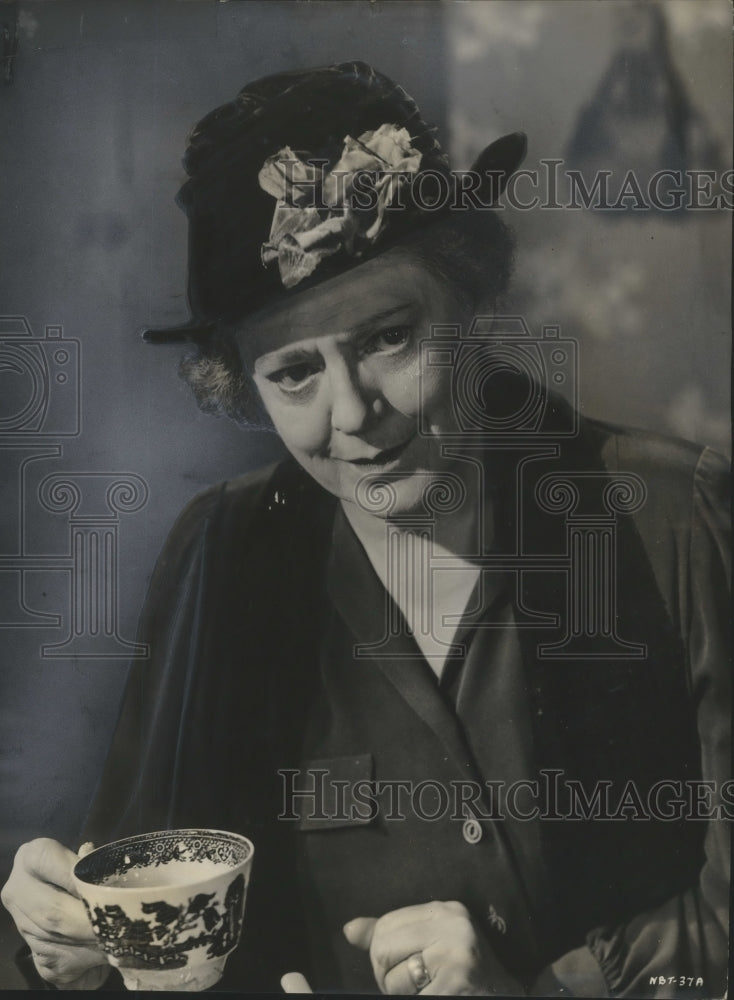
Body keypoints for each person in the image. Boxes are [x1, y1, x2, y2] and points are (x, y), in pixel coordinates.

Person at [1, 61, 730, 997]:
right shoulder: (224, 554)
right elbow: (152, 904)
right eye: (294, 373)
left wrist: (553, 990)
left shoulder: (671, 515)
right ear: (245, 389)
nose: (351, 412)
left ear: (469, 300)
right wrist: (76, 949)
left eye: (388, 337)